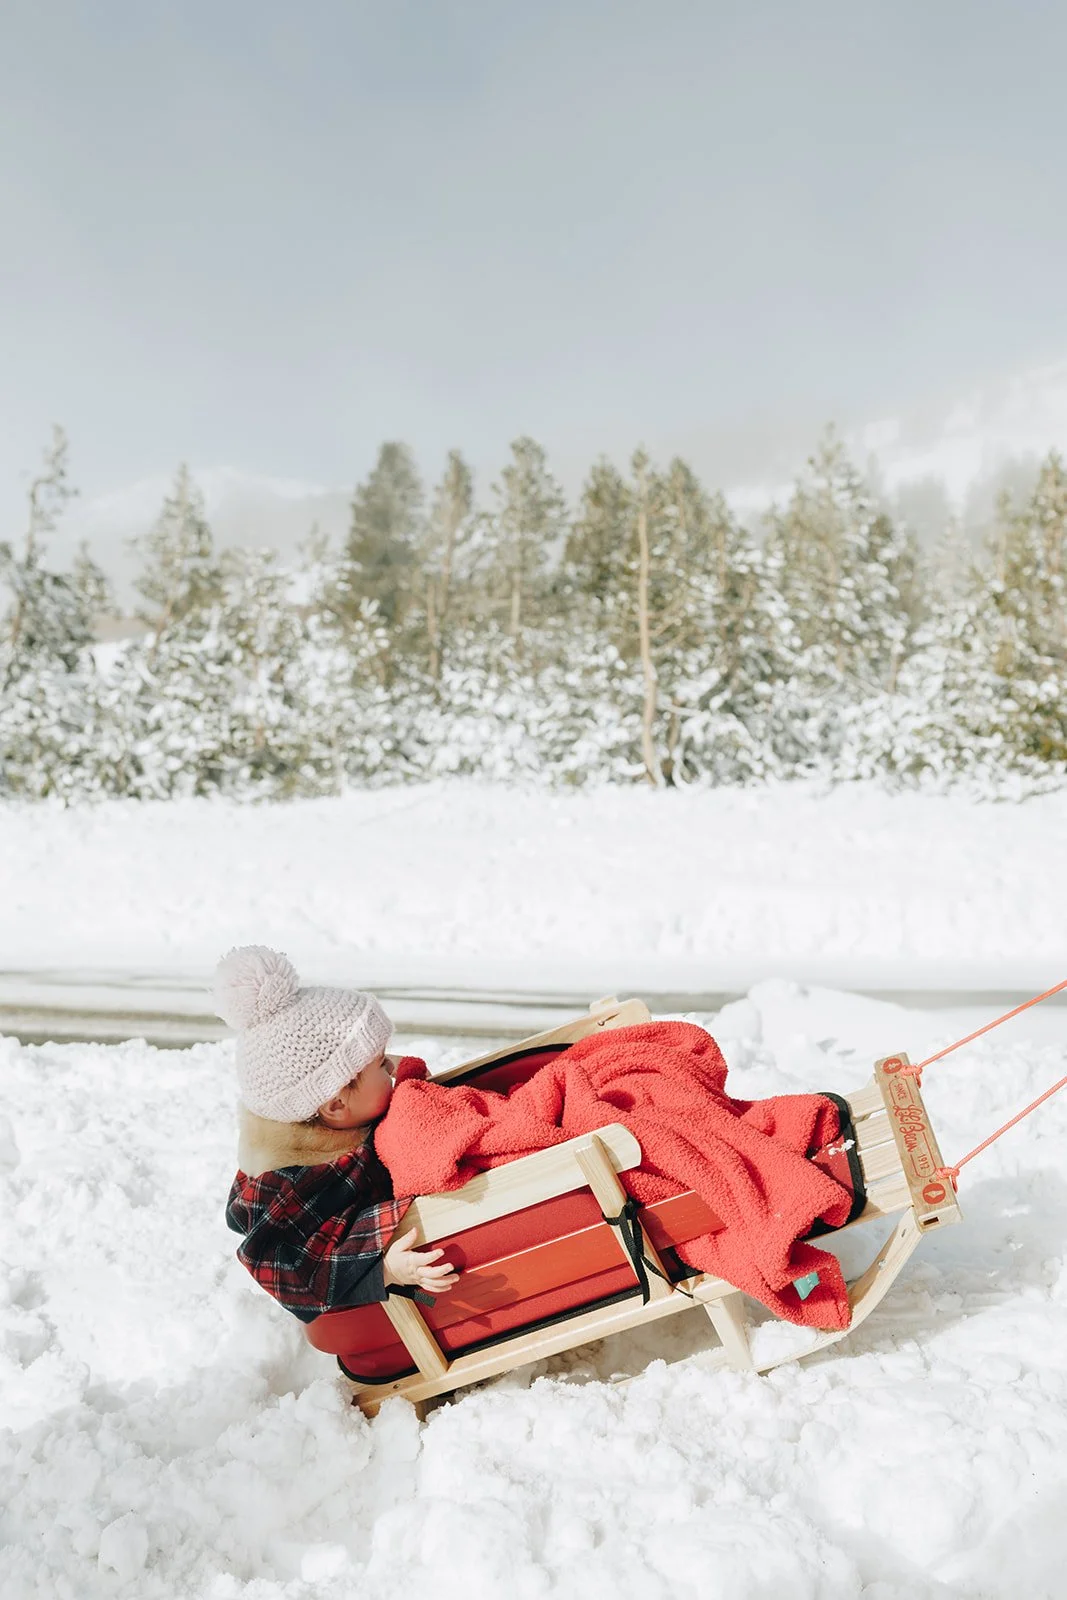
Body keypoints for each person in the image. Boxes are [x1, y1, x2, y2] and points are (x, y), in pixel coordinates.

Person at [216, 945, 459, 1321]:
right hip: (369, 1320)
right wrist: (386, 1270)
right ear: (336, 1105)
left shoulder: (348, 1121)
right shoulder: (299, 1184)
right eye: (381, 1064)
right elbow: (296, 1271)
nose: (393, 1067)